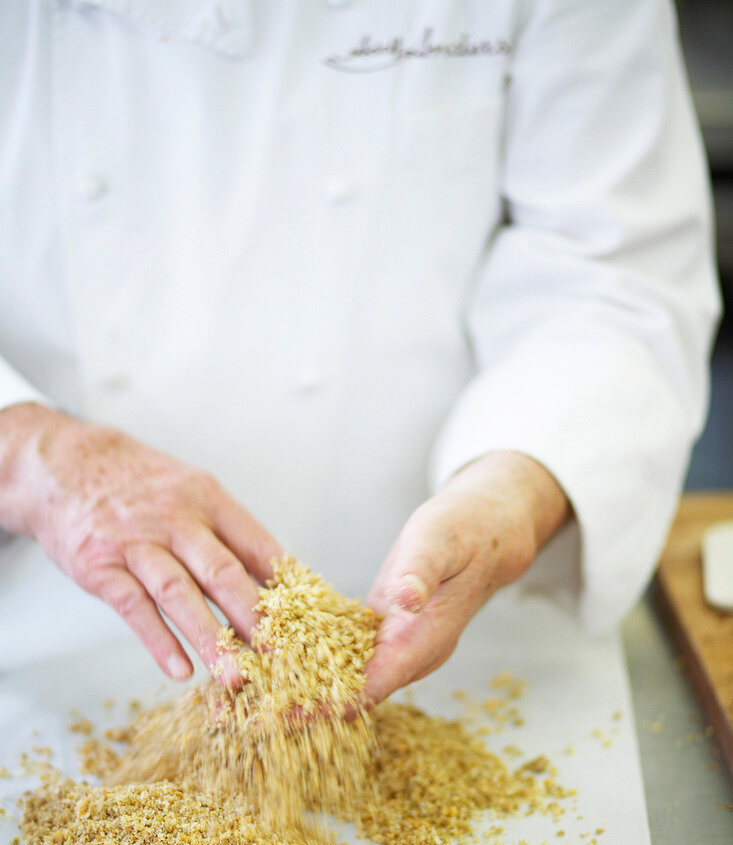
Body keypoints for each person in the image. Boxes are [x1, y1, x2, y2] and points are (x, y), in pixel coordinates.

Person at [0, 0, 720, 702]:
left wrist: (513, 491)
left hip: (467, 632)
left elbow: (613, 272)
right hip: (40, 613)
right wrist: (29, 456)